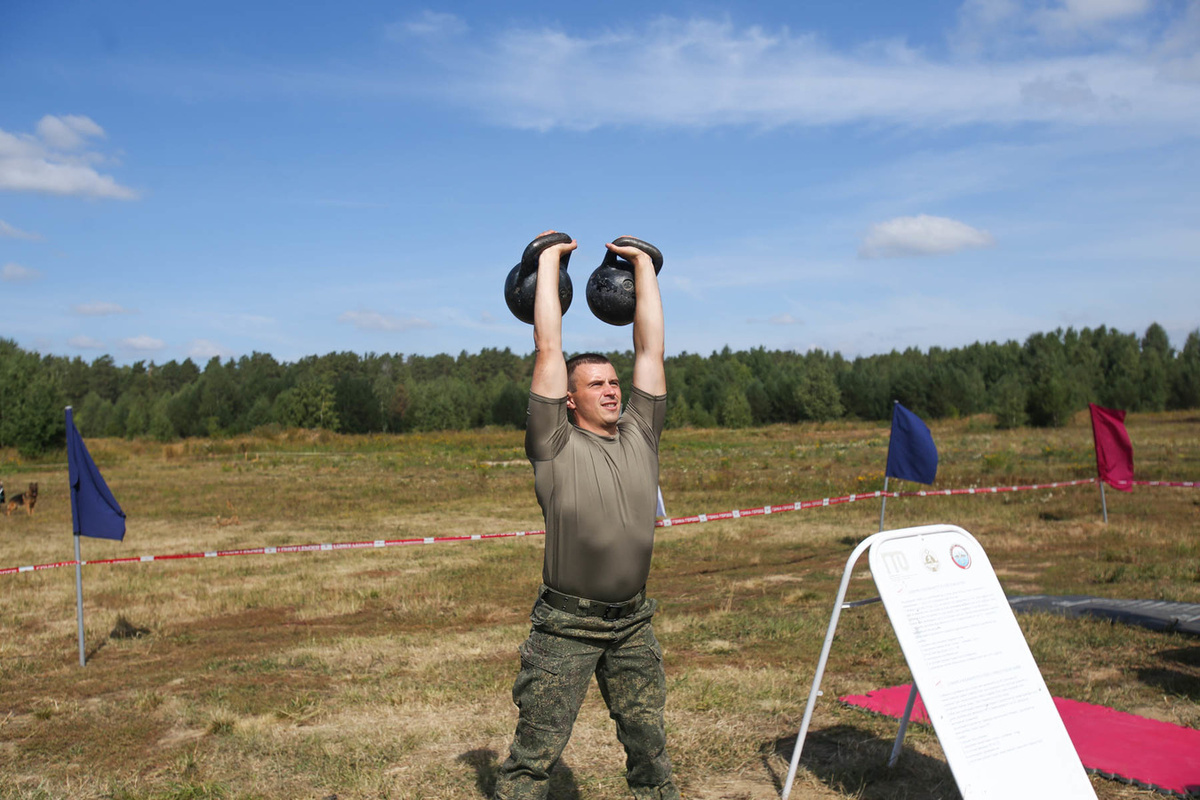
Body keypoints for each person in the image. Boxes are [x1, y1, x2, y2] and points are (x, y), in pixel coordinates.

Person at [493, 232, 679, 800]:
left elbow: (650, 351)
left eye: (614, 382)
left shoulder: (641, 433)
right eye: (595, 384)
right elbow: (549, 349)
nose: (611, 391)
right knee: (533, 760)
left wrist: (644, 266)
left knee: (650, 752)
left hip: (632, 623)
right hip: (566, 626)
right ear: (569, 399)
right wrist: (549, 261)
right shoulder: (553, 444)